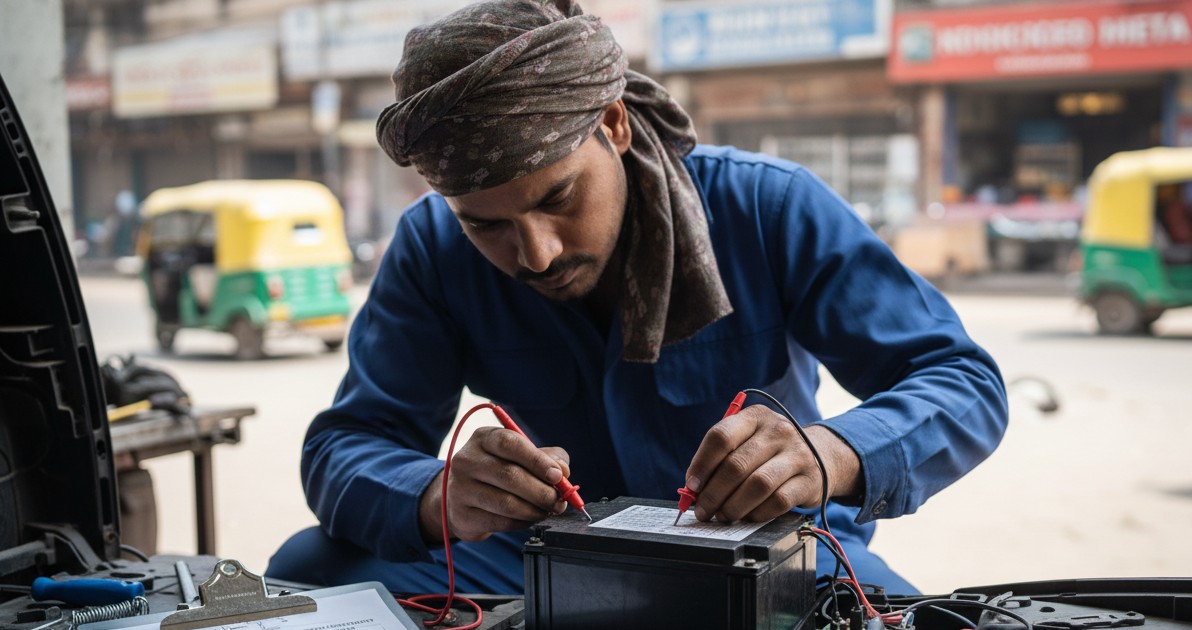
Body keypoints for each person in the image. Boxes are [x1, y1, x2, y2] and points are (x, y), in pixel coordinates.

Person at [266, 0, 1007, 597]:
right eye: (486, 225)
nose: (537, 254)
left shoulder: (766, 208)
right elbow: (343, 447)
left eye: (559, 198)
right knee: (310, 570)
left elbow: (964, 382)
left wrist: (834, 452)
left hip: (769, 558)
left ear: (615, 124)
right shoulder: (431, 247)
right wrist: (438, 496)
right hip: (543, 560)